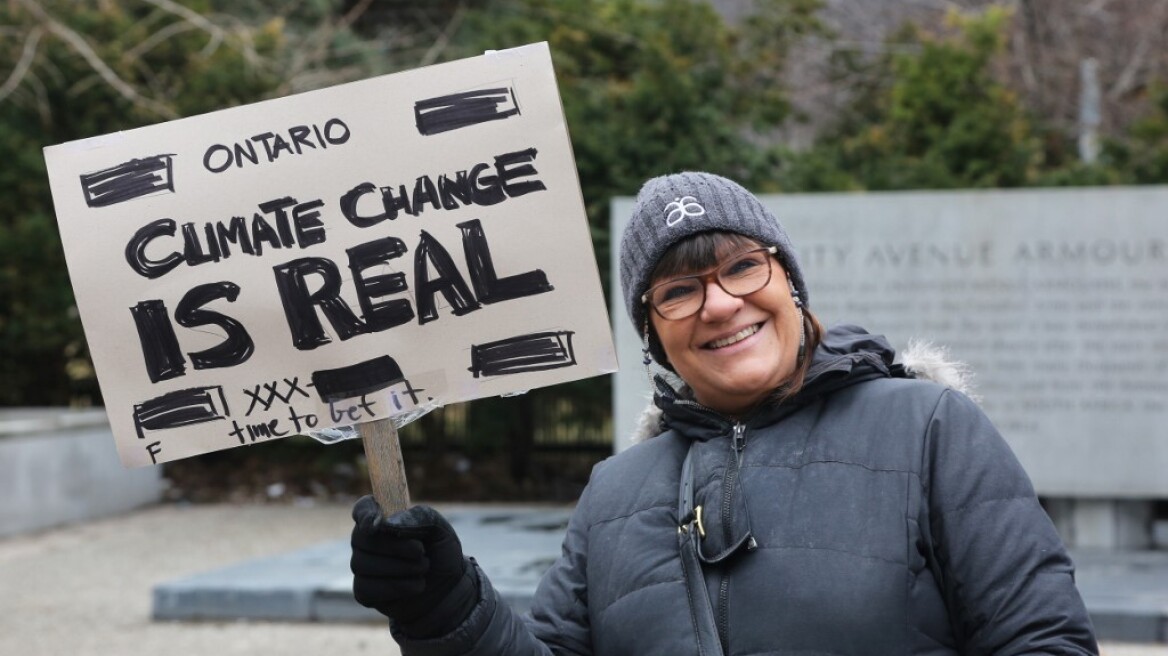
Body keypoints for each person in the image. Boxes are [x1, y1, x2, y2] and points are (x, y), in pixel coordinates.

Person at [349, 172, 1100, 655]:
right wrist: (449, 611)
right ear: (655, 337)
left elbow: (1044, 642)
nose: (719, 303)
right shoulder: (614, 491)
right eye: (677, 291)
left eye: (743, 265)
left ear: (790, 280)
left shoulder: (931, 428)